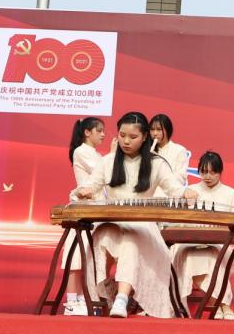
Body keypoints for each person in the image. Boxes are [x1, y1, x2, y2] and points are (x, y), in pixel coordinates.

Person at [72, 111, 184, 318]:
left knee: (131, 241)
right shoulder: (108, 161)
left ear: (144, 137)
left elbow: (175, 189)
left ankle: (121, 299)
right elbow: (91, 184)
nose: (125, 141)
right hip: (112, 223)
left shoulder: (157, 163)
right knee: (101, 237)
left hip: (142, 225)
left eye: (133, 137)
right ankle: (109, 292)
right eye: (122, 135)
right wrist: (83, 191)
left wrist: (186, 193)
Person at [173, 151, 234, 320]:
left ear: (220, 172)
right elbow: (177, 220)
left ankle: (215, 304)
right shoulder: (190, 191)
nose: (208, 176)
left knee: (212, 256)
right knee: (192, 256)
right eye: (204, 172)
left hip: (219, 244)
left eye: (213, 172)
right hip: (191, 243)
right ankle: (223, 306)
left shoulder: (230, 193)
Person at [61, 116, 104, 316]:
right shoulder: (81, 151)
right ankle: (71, 301)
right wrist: (114, 155)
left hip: (96, 209)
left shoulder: (96, 154)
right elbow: (101, 174)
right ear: (87, 132)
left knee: (87, 257)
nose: (103, 134)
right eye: (99, 130)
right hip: (84, 208)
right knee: (77, 254)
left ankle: (81, 298)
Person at [149, 114, 191, 191]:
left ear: (168, 130)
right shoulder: (147, 150)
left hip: (169, 194)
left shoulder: (179, 150)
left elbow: (181, 177)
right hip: (148, 195)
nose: (155, 133)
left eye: (159, 129)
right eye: (152, 129)